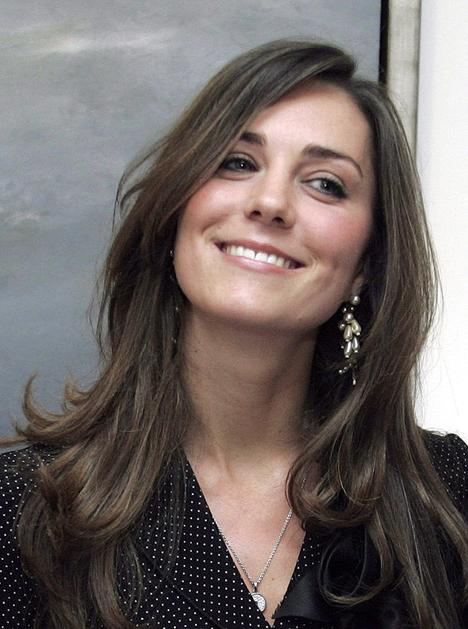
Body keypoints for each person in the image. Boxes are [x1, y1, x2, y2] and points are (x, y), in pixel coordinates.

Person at [0, 39, 467, 629]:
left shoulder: (446, 495)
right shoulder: (23, 510)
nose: (271, 202)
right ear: (176, 213)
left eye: (325, 183)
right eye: (238, 163)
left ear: (366, 265)